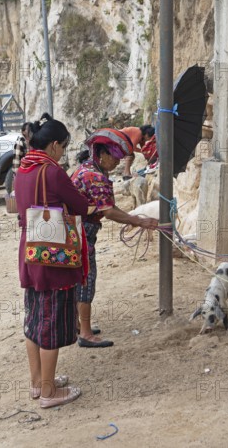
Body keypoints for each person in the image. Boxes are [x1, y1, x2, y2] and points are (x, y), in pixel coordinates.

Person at [14, 113, 89, 409]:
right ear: (55, 145)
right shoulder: (52, 172)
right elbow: (81, 205)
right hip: (52, 256)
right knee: (51, 323)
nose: (63, 153)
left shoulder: (23, 168)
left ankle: (38, 382)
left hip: (29, 250)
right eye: (64, 147)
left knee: (33, 319)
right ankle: (48, 393)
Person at [71, 129, 158, 348]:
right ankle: (86, 333)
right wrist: (138, 221)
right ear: (102, 154)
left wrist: (130, 217)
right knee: (86, 280)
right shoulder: (96, 176)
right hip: (82, 233)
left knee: (79, 279)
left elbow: (107, 207)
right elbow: (109, 211)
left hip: (75, 231)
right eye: (115, 158)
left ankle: (78, 325)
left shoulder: (87, 169)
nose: (117, 163)